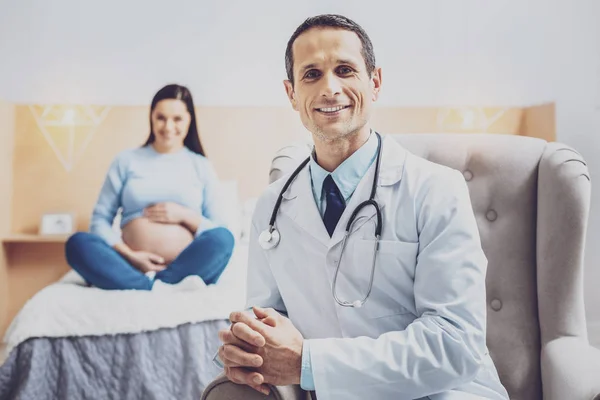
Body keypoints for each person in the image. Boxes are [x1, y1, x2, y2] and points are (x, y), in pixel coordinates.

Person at [216, 14, 509, 400]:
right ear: (291, 94)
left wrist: (308, 362)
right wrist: (250, 348)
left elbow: (455, 346)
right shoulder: (271, 208)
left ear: (375, 82)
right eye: (311, 75)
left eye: (344, 70)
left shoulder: (436, 189)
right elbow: (269, 321)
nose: (329, 88)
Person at [65, 84, 235, 291]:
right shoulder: (126, 161)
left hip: (186, 267)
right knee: (78, 243)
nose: (168, 126)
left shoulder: (200, 165)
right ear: (151, 118)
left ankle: (160, 282)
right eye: (161, 118)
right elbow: (99, 221)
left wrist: (184, 215)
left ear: (189, 119)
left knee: (224, 239)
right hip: (129, 264)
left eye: (177, 119)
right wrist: (131, 256)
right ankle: (149, 284)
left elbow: (219, 228)